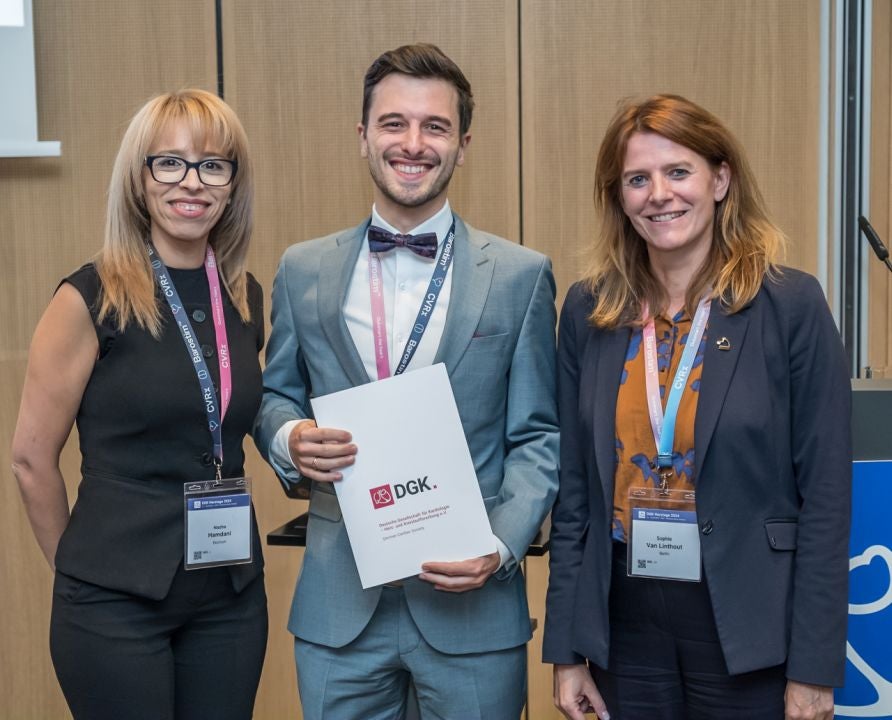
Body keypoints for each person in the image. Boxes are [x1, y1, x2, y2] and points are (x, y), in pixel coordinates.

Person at [254, 43, 559, 719]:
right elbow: (274, 397)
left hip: (472, 610)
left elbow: (538, 435)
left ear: (463, 143)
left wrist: (502, 545)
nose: (413, 143)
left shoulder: (520, 276)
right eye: (394, 123)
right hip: (340, 611)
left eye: (435, 127)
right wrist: (290, 438)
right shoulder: (303, 270)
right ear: (363, 136)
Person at [543, 94, 851, 720]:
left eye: (678, 172)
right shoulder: (588, 311)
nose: (659, 194)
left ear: (720, 178)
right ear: (619, 197)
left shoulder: (789, 306)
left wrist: (815, 667)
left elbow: (825, 497)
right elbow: (574, 493)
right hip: (622, 627)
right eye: (637, 179)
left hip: (748, 624)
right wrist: (566, 650)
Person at [11, 89, 268, 720]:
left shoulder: (246, 297)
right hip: (114, 600)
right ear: (139, 179)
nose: (193, 182)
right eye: (170, 163)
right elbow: (30, 458)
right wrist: (81, 572)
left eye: (213, 165)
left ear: (232, 185)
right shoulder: (88, 297)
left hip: (228, 595)